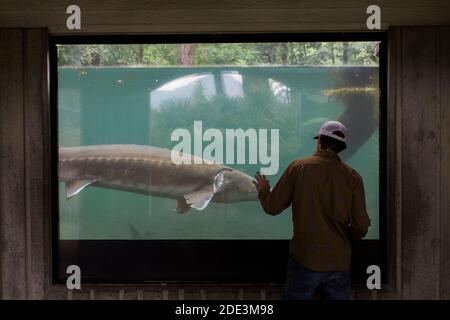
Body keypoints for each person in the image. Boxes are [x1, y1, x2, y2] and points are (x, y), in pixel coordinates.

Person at [253, 120, 371, 300]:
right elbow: (361, 226)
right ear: (342, 147)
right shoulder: (353, 177)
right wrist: (343, 236)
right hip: (339, 263)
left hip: (305, 260)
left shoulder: (298, 168)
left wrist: (263, 191)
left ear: (319, 141)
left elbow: (272, 207)